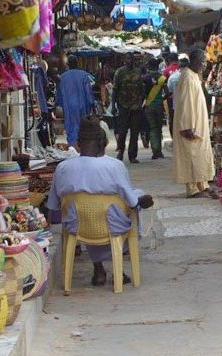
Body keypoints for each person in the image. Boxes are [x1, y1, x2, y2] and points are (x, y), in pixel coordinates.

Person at [47, 116, 155, 286]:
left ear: (78, 144)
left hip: (77, 226)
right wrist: (139, 201)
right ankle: (118, 267)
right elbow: (132, 202)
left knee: (87, 210)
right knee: (127, 206)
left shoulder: (63, 167)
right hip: (112, 226)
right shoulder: (114, 166)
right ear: (104, 143)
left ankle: (99, 268)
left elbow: (53, 205)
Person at [172, 49, 215, 198]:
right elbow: (185, 103)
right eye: (203, 61)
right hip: (191, 123)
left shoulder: (194, 76)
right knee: (191, 155)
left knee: (200, 154)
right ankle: (192, 189)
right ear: (195, 61)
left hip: (198, 121)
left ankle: (202, 184)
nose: (204, 65)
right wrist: (186, 126)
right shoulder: (187, 77)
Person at [55, 55, 95, 146]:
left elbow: (60, 95)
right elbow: (88, 93)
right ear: (77, 64)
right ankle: (83, 145)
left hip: (69, 106)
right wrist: (92, 105)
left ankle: (73, 146)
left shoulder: (63, 77)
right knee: (83, 126)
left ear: (68, 64)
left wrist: (59, 104)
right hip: (83, 106)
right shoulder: (84, 75)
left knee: (71, 126)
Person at [113, 53, 145, 163]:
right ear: (124, 60)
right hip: (123, 106)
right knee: (122, 131)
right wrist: (113, 106)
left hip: (136, 107)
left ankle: (132, 155)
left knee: (135, 132)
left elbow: (142, 88)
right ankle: (120, 151)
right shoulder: (120, 72)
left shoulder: (138, 72)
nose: (129, 60)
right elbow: (115, 89)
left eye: (131, 58)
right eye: (127, 58)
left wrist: (141, 102)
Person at [142, 58, 167, 160]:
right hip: (159, 106)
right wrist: (161, 99)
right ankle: (159, 151)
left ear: (149, 66)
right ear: (157, 67)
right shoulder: (162, 78)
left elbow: (142, 93)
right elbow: (167, 92)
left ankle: (155, 150)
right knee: (159, 128)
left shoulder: (144, 78)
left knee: (152, 128)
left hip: (149, 105)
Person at [166, 57, 188, 136]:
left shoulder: (173, 77)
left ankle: (176, 140)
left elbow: (169, 91)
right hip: (189, 106)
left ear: (179, 65)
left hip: (177, 105)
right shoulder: (193, 77)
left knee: (177, 124)